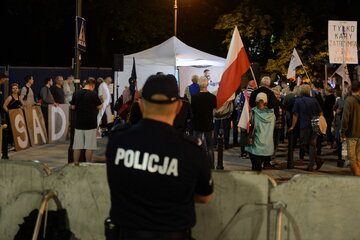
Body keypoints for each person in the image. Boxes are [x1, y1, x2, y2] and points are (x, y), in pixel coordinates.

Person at [105, 74, 213, 240]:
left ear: (140, 106)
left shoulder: (118, 140)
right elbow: (204, 196)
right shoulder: (191, 150)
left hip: (126, 233)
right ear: (178, 108)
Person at [289, 85, 324, 171]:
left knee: (302, 143)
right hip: (315, 124)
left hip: (305, 124)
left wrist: (292, 126)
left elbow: (295, 115)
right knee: (312, 144)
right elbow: (321, 112)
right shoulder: (314, 100)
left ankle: (316, 160)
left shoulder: (298, 100)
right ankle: (312, 164)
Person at [71, 77, 102, 163]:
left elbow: (73, 106)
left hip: (79, 123)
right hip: (90, 124)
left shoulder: (76, 93)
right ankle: (88, 165)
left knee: (77, 146)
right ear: (92, 85)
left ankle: (75, 164)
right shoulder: (93, 94)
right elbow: (100, 106)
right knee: (89, 146)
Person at [245, 93, 275, 171]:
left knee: (255, 168)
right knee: (258, 167)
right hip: (267, 146)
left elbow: (246, 126)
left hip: (255, 145)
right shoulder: (272, 114)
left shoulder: (253, 112)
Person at [191, 76, 217, 169]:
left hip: (197, 124)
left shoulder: (194, 97)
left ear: (199, 84)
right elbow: (214, 111)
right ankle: (211, 166)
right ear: (207, 84)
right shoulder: (213, 97)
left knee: (197, 146)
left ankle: (197, 166)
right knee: (210, 147)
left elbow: (192, 111)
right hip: (208, 123)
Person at [341, 81, 360, 175]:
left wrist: (342, 132)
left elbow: (345, 118)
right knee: (359, 159)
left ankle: (357, 181)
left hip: (352, 133)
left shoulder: (349, 100)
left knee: (352, 158)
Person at [3, 83, 21, 147]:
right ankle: (9, 144)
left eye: (16, 88)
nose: (15, 90)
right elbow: (4, 106)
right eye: (13, 88)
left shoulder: (19, 97)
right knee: (10, 129)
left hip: (16, 117)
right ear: (11, 90)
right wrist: (9, 113)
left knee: (15, 130)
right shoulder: (10, 97)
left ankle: (14, 143)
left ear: (18, 89)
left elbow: (20, 105)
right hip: (10, 116)